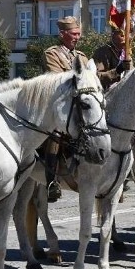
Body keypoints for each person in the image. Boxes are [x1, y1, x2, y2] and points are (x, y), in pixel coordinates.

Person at [43, 15, 89, 202]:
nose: (77, 37)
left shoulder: (82, 57)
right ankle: (51, 181)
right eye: (74, 34)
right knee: (56, 134)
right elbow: (56, 79)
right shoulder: (51, 54)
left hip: (80, 103)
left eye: (78, 34)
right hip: (60, 102)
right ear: (63, 34)